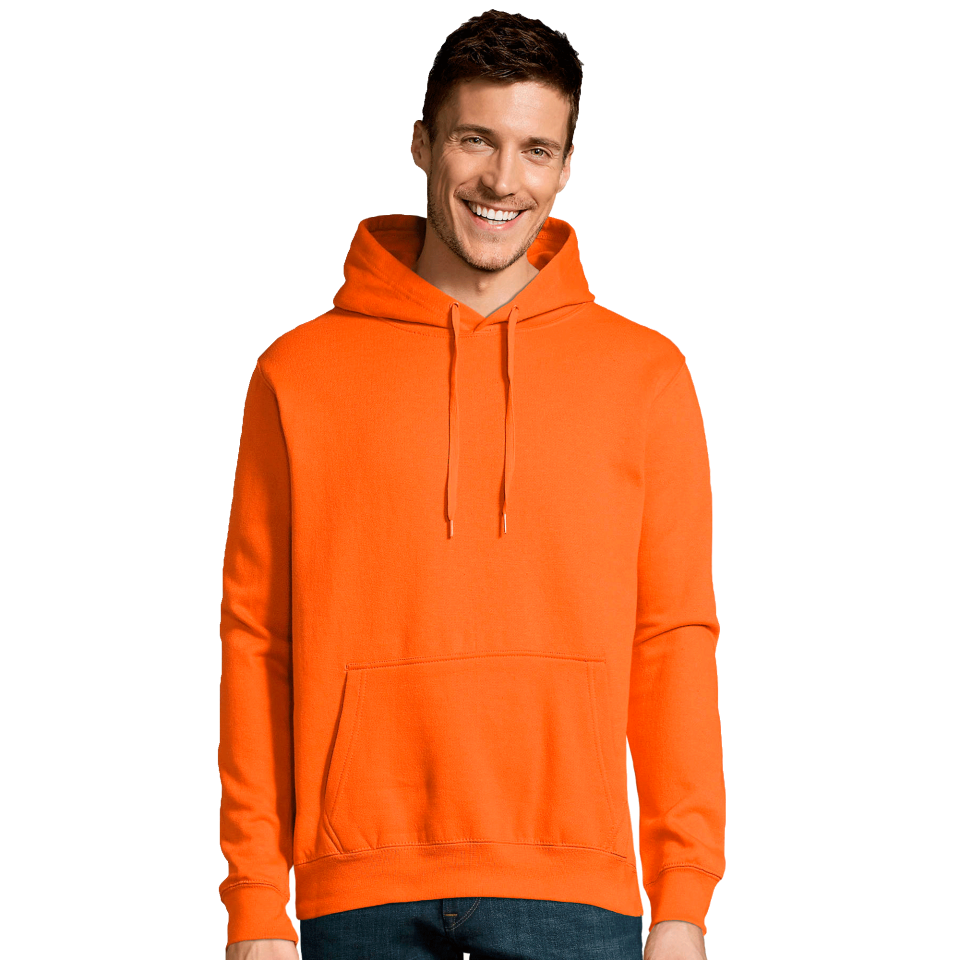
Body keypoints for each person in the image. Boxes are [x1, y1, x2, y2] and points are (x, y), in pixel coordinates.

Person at [219, 10, 723, 960]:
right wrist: (254, 898)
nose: (502, 180)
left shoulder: (646, 375)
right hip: (351, 889)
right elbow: (257, 643)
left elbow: (673, 641)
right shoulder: (297, 374)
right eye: (475, 140)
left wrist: (684, 902)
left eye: (536, 149)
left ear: (565, 169)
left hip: (576, 891)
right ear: (421, 144)